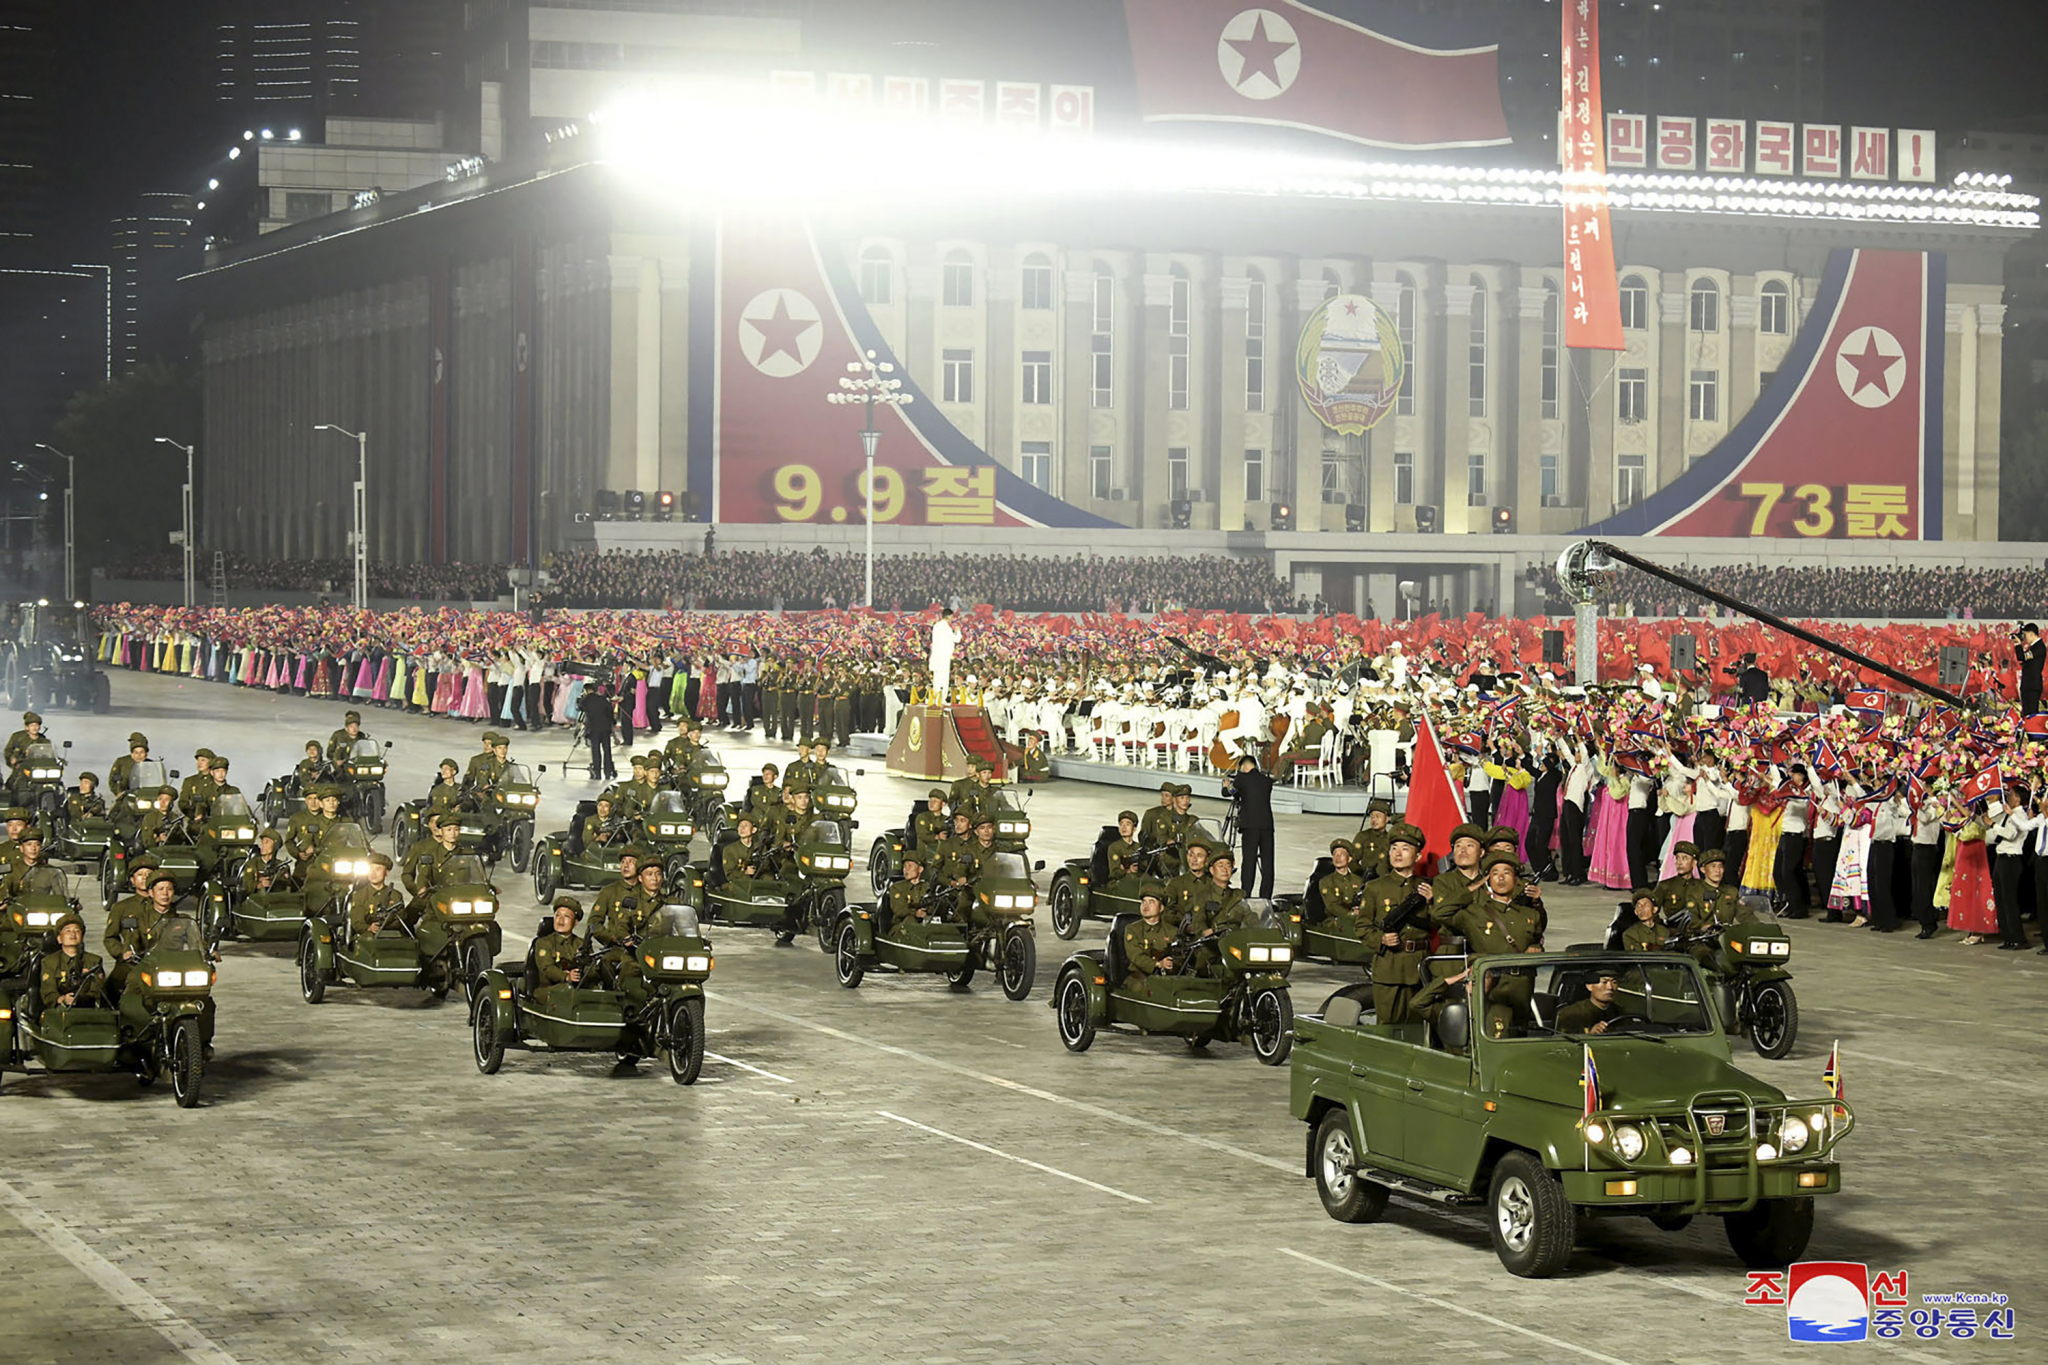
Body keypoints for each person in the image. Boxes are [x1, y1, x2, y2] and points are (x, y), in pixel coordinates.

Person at [1445, 852, 1546, 1038]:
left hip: (1522, 985)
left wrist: (1537, 948)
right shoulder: (1474, 913)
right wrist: (1470, 889)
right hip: (1493, 986)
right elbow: (1440, 913)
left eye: (1507, 873)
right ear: (1487, 880)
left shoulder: (1529, 913)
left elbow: (1537, 939)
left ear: (1516, 880)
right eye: (1495, 873)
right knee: (1496, 1036)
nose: (1501, 877)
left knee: (1520, 1036)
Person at [1359, 823, 1433, 1024]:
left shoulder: (1428, 887)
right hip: (1388, 967)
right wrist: (1380, 939)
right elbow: (1362, 927)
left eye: (1405, 849)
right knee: (1387, 1028)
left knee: (1417, 1029)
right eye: (1394, 848)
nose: (1397, 854)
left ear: (1417, 856)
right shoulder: (1375, 887)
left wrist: (1432, 903)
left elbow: (1442, 924)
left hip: (1419, 967)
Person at [1987, 786, 2033, 951]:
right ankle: (2008, 936)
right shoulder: (2009, 814)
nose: (2009, 796)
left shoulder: (2019, 815)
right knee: (2000, 899)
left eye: (2012, 794)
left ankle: (2018, 938)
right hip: (2001, 858)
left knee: (2009, 900)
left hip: (2011, 860)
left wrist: (1993, 825)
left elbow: (2011, 834)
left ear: (2018, 799)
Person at [1224, 755, 1276, 899]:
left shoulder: (1242, 779)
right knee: (1268, 863)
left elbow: (1228, 792)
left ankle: (1246, 893)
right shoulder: (1267, 781)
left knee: (1249, 861)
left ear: (1244, 767)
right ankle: (1266, 896)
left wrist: (1227, 785)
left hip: (1250, 826)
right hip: (1267, 826)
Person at [1118, 883, 1179, 996]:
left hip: (1166, 977)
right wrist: (1158, 964)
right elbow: (1136, 957)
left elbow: (1178, 955)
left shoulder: (1172, 931)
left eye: (1151, 902)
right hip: (1138, 976)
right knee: (1145, 990)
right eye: (1143, 902)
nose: (1146, 906)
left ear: (1161, 908)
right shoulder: (1133, 929)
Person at [531, 896, 588, 1007]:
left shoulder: (581, 944)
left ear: (575, 922)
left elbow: (593, 967)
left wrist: (583, 973)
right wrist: (566, 976)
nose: (560, 920)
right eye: (557, 915)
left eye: (566, 916)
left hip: (577, 988)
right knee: (566, 991)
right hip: (548, 989)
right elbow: (547, 968)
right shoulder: (544, 943)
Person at [39, 913, 102, 1011]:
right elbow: (48, 992)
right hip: (60, 1009)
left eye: (77, 931)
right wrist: (62, 999)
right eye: (68, 931)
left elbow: (98, 991)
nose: (73, 934)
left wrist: (80, 998)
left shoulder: (94, 961)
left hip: (87, 1009)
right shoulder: (49, 962)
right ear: (59, 939)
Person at [348, 851, 406, 939]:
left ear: (386, 873)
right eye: (370, 869)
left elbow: (401, 918)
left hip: (392, 936)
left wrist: (386, 926)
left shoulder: (395, 895)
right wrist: (369, 928)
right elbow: (357, 921)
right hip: (367, 936)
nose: (373, 873)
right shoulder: (360, 895)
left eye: (378, 869)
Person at [1314, 839, 1366, 937]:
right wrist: (1351, 914)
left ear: (1349, 858)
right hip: (1335, 922)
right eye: (1335, 854)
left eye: (1342, 854)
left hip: (1356, 920)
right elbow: (1332, 906)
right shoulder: (1326, 882)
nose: (1338, 857)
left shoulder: (1358, 881)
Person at [883, 854, 939, 944]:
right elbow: (899, 910)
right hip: (901, 928)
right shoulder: (897, 887)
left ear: (920, 869)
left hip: (926, 925)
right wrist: (916, 913)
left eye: (910, 866)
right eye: (904, 866)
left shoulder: (927, 887)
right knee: (910, 919)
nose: (906, 869)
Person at [1555, 968, 1630, 1035]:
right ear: (1589, 986)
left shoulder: (1621, 1013)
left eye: (1614, 982)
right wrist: (1590, 1035)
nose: (1610, 987)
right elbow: (1563, 1044)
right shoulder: (1571, 1013)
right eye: (1604, 982)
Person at [580, 684, 617, 782]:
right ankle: (608, 771)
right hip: (605, 728)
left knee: (595, 751)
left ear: (586, 690)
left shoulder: (585, 700)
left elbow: (580, 708)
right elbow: (609, 712)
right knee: (607, 750)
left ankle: (597, 772)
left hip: (593, 729)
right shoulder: (603, 699)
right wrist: (612, 723)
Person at [242, 829, 290, 897]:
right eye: (262, 842)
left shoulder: (282, 866)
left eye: (267, 842)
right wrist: (259, 884)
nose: (262, 846)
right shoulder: (252, 863)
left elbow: (286, 885)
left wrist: (272, 881)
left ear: (275, 846)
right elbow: (246, 884)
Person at [1353, 800, 1393, 880]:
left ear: (1387, 819)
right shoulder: (1362, 836)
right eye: (1372, 816)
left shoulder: (1391, 839)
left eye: (1378, 816)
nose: (1374, 820)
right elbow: (1352, 860)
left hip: (1385, 880)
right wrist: (1362, 875)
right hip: (1366, 879)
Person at [928, 606, 959, 702]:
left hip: (936, 658)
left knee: (937, 680)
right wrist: (958, 631)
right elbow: (956, 639)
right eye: (952, 617)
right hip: (943, 658)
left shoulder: (936, 626)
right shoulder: (946, 628)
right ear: (949, 616)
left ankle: (936, 699)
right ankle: (941, 700)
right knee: (944, 680)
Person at [2016, 623, 2044, 716]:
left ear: (2032, 634)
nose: (2024, 637)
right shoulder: (2033, 647)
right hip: (2028, 686)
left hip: (2032, 686)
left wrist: (2017, 644)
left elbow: (2022, 657)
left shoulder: (2039, 647)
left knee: (2031, 714)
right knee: (2026, 714)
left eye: (2026, 634)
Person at [1105, 810, 1141, 880]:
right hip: (1120, 882)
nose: (1123, 827)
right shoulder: (1114, 847)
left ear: (1134, 828)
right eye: (1121, 824)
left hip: (1137, 880)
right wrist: (1128, 870)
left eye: (1128, 824)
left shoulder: (1139, 847)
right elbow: (1114, 873)